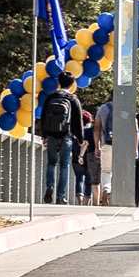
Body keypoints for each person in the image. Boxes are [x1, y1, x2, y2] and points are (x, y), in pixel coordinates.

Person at [40, 72, 86, 205]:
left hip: (52, 135)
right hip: (67, 136)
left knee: (51, 163)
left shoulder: (50, 97)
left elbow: (43, 117)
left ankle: (49, 187)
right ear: (72, 84)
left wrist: (44, 134)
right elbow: (78, 121)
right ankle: (61, 197)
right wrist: (80, 138)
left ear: (59, 82)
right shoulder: (73, 99)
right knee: (64, 166)